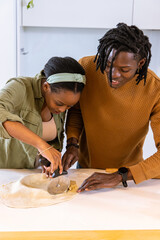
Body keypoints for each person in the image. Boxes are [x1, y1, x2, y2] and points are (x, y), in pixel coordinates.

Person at [63, 23, 160, 192]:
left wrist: (119, 176)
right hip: (86, 169)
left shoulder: (154, 88)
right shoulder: (86, 68)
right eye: (108, 65)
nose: (113, 75)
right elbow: (77, 110)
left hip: (128, 176)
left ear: (141, 63)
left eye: (124, 69)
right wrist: (72, 143)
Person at [0, 56, 86, 176]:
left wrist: (47, 162)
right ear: (46, 87)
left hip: (33, 176)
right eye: (59, 103)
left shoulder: (60, 103)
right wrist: (41, 145)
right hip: (6, 173)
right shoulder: (20, 86)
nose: (62, 110)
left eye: (69, 106)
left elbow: (49, 141)